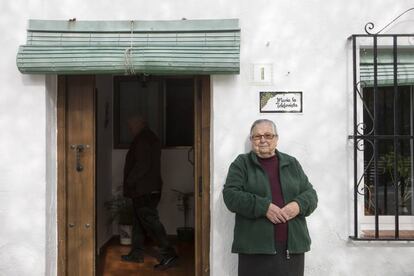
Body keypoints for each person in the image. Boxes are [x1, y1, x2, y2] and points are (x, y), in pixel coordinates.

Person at [222, 119, 317, 276]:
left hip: (291, 249)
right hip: (254, 249)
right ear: (252, 140)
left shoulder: (291, 163)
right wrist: (263, 207)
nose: (263, 140)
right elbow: (230, 196)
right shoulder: (242, 163)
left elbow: (311, 195)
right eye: (257, 136)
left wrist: (298, 205)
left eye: (268, 135)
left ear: (276, 138)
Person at [121, 116, 178, 270]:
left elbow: (142, 165)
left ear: (140, 123)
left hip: (143, 189)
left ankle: (169, 254)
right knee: (139, 222)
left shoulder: (143, 139)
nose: (129, 128)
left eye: (131, 124)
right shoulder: (148, 137)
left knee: (151, 222)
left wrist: (129, 181)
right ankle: (136, 253)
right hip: (147, 188)